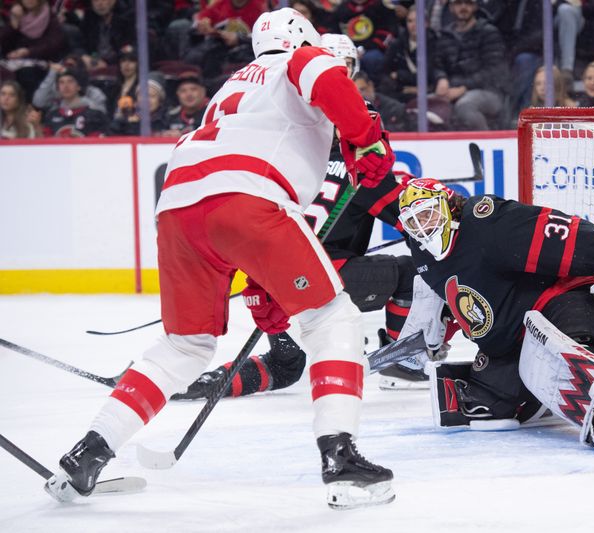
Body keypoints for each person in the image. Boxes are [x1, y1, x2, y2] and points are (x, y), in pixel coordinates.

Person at [44, 8, 397, 510]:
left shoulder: (234, 86)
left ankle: (87, 453)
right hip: (248, 198)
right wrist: (365, 136)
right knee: (332, 319)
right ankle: (341, 458)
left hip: (179, 208)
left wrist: (263, 279)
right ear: (301, 39)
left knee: (185, 347)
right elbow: (321, 74)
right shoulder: (300, 62)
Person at [175, 34, 419, 400]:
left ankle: (203, 382)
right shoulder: (357, 160)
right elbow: (405, 214)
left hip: (268, 281)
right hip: (322, 281)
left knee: (285, 364)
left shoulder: (284, 150)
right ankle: (401, 362)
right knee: (412, 275)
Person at [395, 178, 594, 448]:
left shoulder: (485, 221)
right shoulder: (422, 253)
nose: (423, 227)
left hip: (562, 300)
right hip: (512, 338)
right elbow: (457, 295)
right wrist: (434, 334)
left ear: (449, 206)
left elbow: (554, 231)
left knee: (567, 356)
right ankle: (538, 402)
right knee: (486, 405)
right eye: (413, 221)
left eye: (428, 214)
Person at [433, 0, 508, 130]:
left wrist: (464, 87)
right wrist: (441, 78)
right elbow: (436, 64)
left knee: (465, 106)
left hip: (489, 91)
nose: (463, 7)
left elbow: (494, 71)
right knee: (423, 105)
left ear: (475, 6)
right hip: (452, 89)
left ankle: (487, 143)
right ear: (451, 7)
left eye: (468, 3)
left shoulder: (488, 32)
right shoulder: (444, 35)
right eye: (458, 3)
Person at [41, 68, 109, 137]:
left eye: (70, 81)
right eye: (61, 82)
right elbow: (45, 141)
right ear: (58, 88)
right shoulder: (52, 116)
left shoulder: (96, 115)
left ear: (78, 86)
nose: (66, 86)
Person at [162, 71, 209, 137]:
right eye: (183, 91)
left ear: (203, 92)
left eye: (193, 89)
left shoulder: (212, 114)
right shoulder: (169, 116)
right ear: (177, 94)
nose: (188, 94)